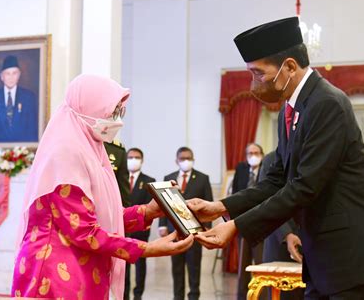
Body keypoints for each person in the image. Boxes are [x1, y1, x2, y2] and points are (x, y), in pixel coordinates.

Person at [188, 17, 364, 300]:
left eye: (258, 74)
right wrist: (219, 206)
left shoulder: (326, 103)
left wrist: (236, 226)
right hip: (324, 256)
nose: (254, 85)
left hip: (353, 255)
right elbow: (276, 178)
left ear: (288, 67)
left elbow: (304, 186)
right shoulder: (292, 108)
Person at [11, 75, 193, 300]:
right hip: (54, 276)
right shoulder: (65, 153)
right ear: (89, 107)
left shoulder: (91, 150)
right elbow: (84, 231)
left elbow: (97, 216)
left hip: (84, 269)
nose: (116, 120)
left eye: (119, 112)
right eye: (111, 112)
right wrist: (148, 249)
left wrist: (147, 211)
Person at [158, 147, 213, 300]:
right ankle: (178, 297)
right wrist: (162, 225)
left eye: (189, 158)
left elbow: (209, 204)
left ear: (193, 159)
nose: (186, 161)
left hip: (195, 232)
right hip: (174, 231)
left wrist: (208, 228)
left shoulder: (203, 178)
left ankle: (194, 296)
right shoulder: (169, 178)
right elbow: (163, 205)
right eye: (182, 158)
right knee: (177, 268)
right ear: (177, 160)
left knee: (194, 267)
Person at [259, 150, 304, 300]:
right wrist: (286, 233)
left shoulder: (315, 155)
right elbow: (268, 200)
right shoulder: (271, 160)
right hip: (280, 243)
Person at [231, 143, 265, 300]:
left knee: (260, 264)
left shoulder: (268, 168)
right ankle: (242, 296)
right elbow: (236, 193)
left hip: (263, 223)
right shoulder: (241, 169)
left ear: (262, 154)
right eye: (250, 153)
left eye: (256, 152)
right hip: (243, 222)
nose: (253, 156)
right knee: (243, 266)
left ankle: (262, 296)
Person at [0, 55, 38, 142]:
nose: (11, 77)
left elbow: (32, 131)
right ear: (1, 77)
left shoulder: (29, 98)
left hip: (24, 151)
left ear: (19, 75)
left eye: (14, 73)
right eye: (7, 73)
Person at [124, 147, 156, 300]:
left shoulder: (149, 181)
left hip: (141, 230)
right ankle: (124, 295)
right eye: (130, 157)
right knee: (123, 265)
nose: (133, 160)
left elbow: (150, 207)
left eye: (136, 157)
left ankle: (138, 295)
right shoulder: (119, 179)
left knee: (140, 265)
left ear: (142, 161)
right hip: (123, 230)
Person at [104, 140, 131, 207]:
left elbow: (123, 188)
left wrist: (127, 213)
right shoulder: (79, 142)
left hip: (106, 206)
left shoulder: (117, 150)